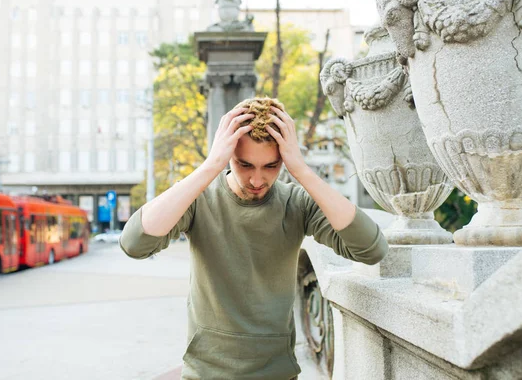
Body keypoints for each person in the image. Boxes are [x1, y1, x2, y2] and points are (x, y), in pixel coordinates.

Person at [120, 97, 389, 379]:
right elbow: (135, 243)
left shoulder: (296, 204)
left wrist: (301, 170)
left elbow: (372, 249)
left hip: (277, 373)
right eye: (244, 164)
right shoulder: (200, 200)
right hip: (206, 373)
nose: (257, 180)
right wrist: (211, 165)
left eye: (271, 166)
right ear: (228, 155)